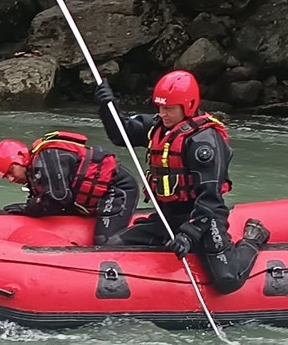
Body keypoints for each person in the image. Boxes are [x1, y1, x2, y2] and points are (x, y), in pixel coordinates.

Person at [94, 71, 271, 294]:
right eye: (160, 108)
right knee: (113, 246)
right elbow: (122, 134)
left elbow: (210, 199)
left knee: (228, 280)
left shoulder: (204, 142)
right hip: (168, 217)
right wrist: (106, 107)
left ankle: (253, 239)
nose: (163, 114)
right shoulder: (158, 127)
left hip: (204, 219)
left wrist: (188, 235)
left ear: (187, 106)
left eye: (169, 109)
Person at [0, 130, 139, 246]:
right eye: (6, 177)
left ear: (21, 157)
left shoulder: (47, 158)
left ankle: (151, 237)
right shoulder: (35, 173)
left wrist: (27, 208)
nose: (11, 179)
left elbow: (58, 198)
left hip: (117, 188)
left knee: (105, 242)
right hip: (99, 195)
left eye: (11, 171)